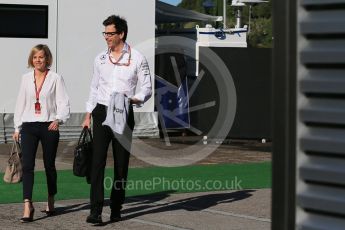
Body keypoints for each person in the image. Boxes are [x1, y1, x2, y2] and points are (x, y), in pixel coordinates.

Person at [82, 15, 152, 224]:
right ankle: (95, 211)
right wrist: (87, 114)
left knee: (121, 165)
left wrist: (133, 100)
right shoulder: (100, 58)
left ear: (121, 34)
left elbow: (147, 87)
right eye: (105, 33)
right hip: (101, 111)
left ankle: (116, 206)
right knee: (97, 163)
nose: (106, 37)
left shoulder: (137, 57)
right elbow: (94, 87)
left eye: (110, 33)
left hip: (123, 112)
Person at [13, 44, 70, 222]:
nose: (38, 60)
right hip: (29, 126)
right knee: (28, 165)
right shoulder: (25, 78)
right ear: (32, 59)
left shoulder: (55, 78)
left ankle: (50, 198)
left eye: (42, 57)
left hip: (49, 127)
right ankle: (27, 204)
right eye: (35, 57)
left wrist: (58, 119)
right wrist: (17, 127)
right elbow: (20, 102)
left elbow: (63, 101)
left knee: (49, 165)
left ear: (48, 59)